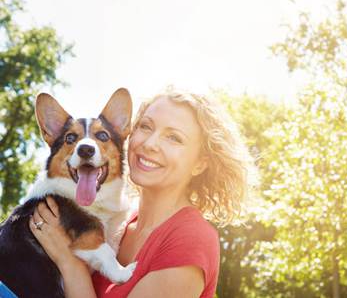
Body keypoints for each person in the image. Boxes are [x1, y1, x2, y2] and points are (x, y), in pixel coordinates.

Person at [28, 89, 255, 298]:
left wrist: (70, 264)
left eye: (174, 137)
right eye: (146, 126)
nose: (150, 144)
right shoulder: (117, 223)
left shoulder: (191, 239)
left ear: (199, 163)